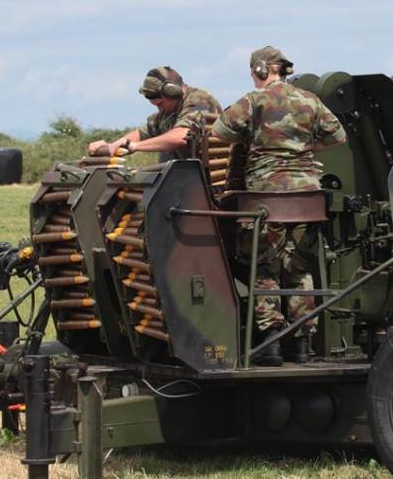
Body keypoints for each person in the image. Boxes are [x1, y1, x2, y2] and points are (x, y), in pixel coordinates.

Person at [211, 46, 347, 366]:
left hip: (266, 199)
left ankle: (270, 342)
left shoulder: (254, 100)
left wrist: (259, 141)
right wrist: (302, 147)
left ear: (260, 70)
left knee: (263, 267)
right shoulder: (310, 100)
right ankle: (300, 344)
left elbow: (219, 132)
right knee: (299, 269)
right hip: (306, 199)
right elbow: (338, 137)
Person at [87, 66, 221, 160]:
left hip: (211, 184)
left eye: (160, 104)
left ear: (173, 93)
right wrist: (113, 145)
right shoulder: (169, 111)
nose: (159, 109)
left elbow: (179, 137)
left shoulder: (200, 101)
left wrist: (136, 146)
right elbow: (142, 133)